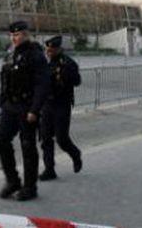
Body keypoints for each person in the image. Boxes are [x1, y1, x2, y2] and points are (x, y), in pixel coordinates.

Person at [0, 20, 50, 201]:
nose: (14, 38)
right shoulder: (10, 52)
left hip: (27, 106)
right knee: (1, 140)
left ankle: (30, 187)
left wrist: (35, 109)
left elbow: (42, 85)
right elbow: (5, 78)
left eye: (17, 35)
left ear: (26, 35)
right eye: (11, 35)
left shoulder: (35, 55)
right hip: (10, 106)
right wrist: (3, 101)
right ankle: (13, 181)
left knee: (27, 146)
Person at [39, 35, 83, 181]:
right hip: (47, 104)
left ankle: (75, 154)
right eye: (47, 50)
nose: (48, 53)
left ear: (58, 49)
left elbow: (77, 81)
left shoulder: (68, 63)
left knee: (62, 139)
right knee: (45, 138)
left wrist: (66, 74)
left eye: (50, 50)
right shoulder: (45, 63)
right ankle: (49, 169)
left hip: (62, 105)